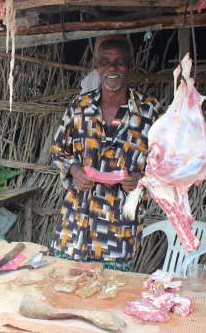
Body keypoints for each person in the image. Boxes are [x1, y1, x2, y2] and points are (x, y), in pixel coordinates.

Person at [50, 36, 161, 272]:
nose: (112, 68)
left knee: (111, 294)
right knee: (65, 289)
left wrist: (142, 179)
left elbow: (165, 165)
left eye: (119, 62)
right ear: (97, 67)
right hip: (76, 224)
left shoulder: (149, 111)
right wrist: (74, 169)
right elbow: (59, 150)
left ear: (130, 66)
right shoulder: (79, 107)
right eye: (105, 62)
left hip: (119, 229)